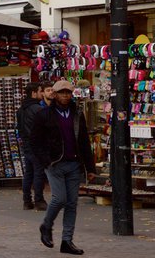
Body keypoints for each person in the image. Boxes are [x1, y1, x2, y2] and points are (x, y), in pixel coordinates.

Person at [31, 80, 95, 256]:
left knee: (72, 203)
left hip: (74, 163)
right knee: (59, 198)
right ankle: (46, 225)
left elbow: (83, 141)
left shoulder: (76, 114)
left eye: (68, 93)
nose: (65, 96)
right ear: (55, 95)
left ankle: (67, 240)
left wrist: (90, 167)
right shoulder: (44, 115)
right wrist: (46, 161)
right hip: (55, 164)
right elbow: (35, 142)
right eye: (61, 93)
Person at [17, 82, 48, 210]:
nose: (42, 94)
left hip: (26, 144)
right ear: (34, 93)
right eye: (40, 91)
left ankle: (27, 200)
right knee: (38, 172)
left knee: (29, 172)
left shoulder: (21, 110)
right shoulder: (38, 109)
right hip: (37, 145)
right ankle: (39, 200)